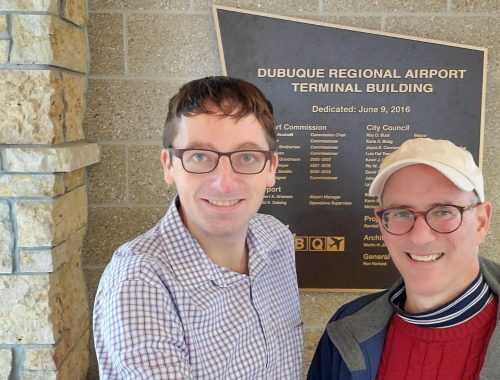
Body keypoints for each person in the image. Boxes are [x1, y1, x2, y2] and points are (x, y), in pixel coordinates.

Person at [93, 76, 304, 379]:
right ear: (169, 165)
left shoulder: (276, 239)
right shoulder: (141, 279)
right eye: (200, 156)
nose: (224, 182)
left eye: (247, 156)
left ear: (271, 167)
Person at [308, 137, 500, 379]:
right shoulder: (345, 328)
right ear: (381, 223)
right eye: (401, 212)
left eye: (444, 211)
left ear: (481, 221)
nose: (420, 236)